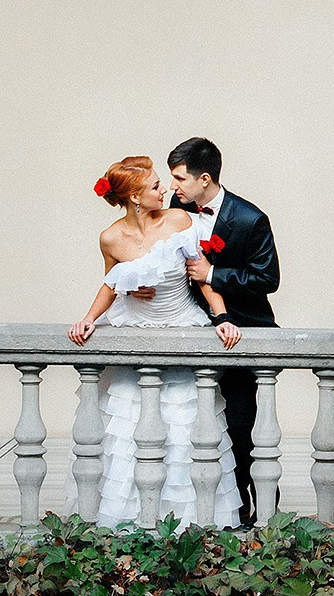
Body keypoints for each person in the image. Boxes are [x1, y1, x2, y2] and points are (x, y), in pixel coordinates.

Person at [68, 156, 241, 528]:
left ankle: (188, 519)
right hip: (137, 329)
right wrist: (89, 318)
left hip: (181, 325)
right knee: (130, 427)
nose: (165, 191)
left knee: (183, 424)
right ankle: (130, 517)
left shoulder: (179, 221)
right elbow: (111, 283)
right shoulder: (111, 237)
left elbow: (201, 278)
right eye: (156, 186)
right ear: (134, 197)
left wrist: (222, 317)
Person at [164, 137, 278, 527]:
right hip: (188, 328)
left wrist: (213, 273)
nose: (173, 186)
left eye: (180, 178)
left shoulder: (249, 219)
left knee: (241, 427)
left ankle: (262, 509)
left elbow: (268, 279)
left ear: (205, 179)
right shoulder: (176, 208)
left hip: (240, 332)